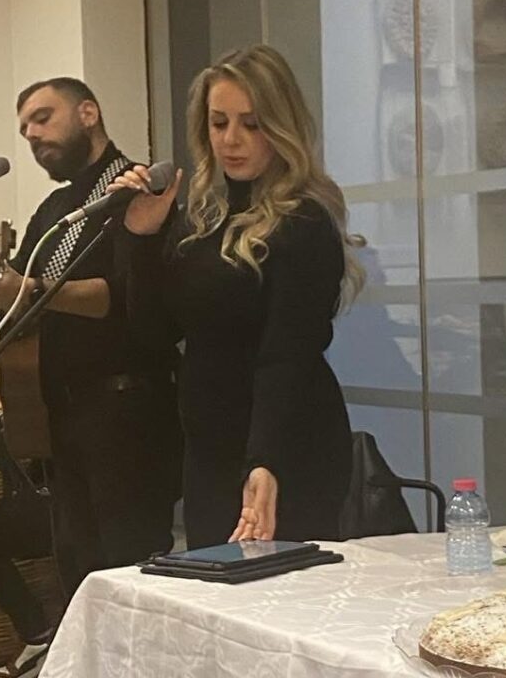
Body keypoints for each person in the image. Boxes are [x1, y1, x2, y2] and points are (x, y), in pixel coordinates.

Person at [0, 77, 181, 669]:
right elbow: (24, 297)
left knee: (130, 574)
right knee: (78, 569)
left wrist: (28, 289)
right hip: (62, 416)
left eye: (43, 118)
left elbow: (119, 297)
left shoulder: (139, 190)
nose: (33, 135)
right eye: (24, 129)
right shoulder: (55, 212)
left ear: (88, 112)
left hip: (128, 413)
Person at [110, 45, 362, 548]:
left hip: (286, 442)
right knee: (214, 582)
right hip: (211, 447)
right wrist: (141, 238)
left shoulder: (303, 221)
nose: (231, 139)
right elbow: (153, 335)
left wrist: (266, 460)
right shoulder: (202, 221)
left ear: (281, 126)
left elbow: (289, 354)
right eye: (218, 122)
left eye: (252, 124)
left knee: (281, 586)